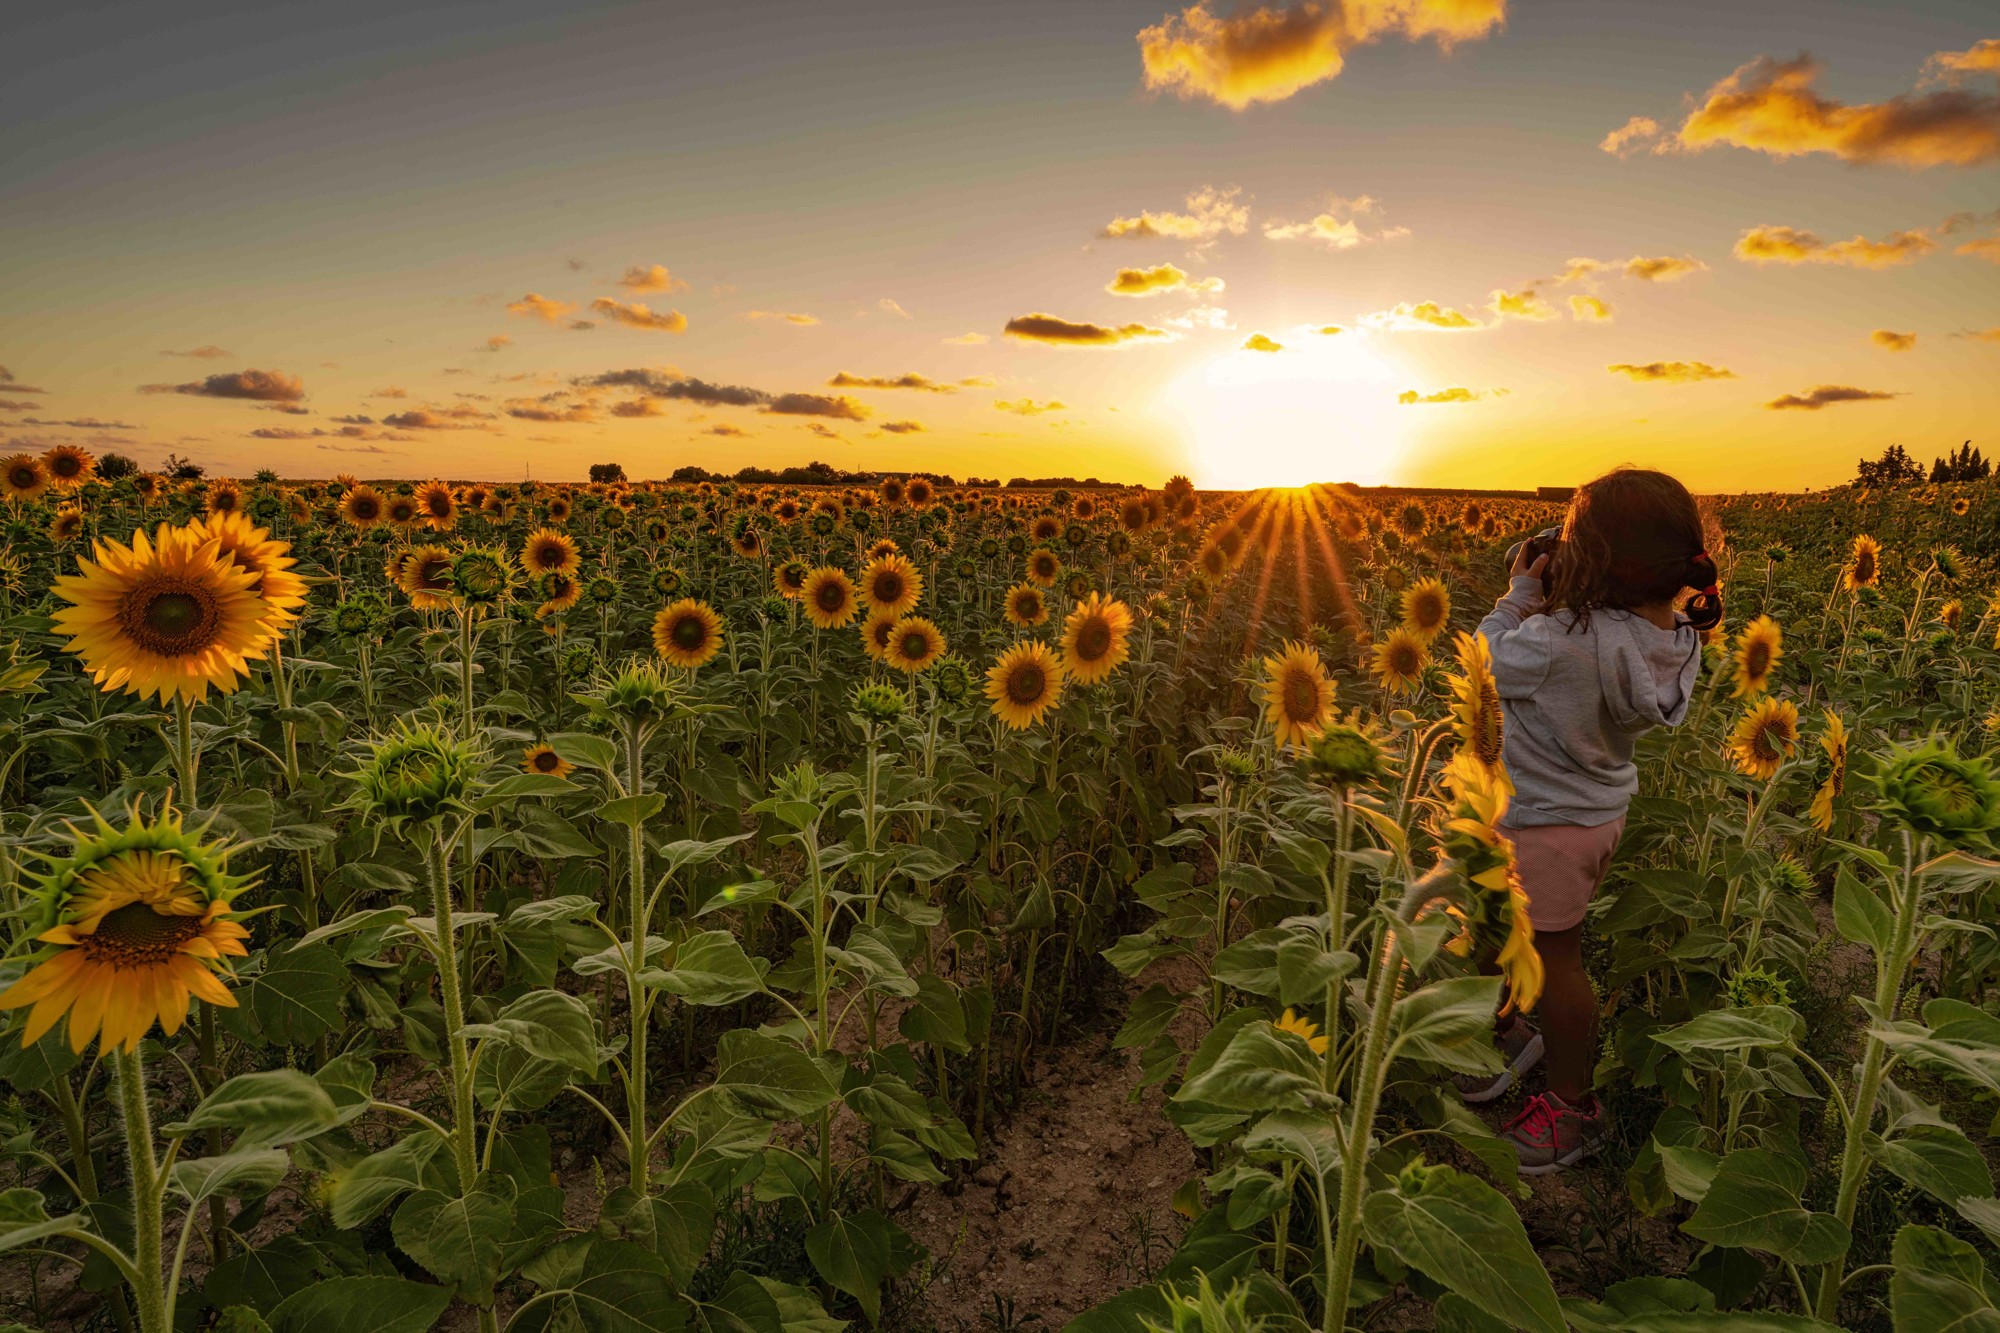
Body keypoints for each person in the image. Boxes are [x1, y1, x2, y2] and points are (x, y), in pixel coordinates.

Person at [1458, 468, 1716, 1174]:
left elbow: (1484, 662)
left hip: (1545, 822)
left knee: (1557, 959)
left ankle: (1572, 1105)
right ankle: (1502, 1027)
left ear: (1594, 560)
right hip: (1597, 817)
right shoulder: (1674, 635)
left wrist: (1520, 594)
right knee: (1514, 930)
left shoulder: (1556, 640)